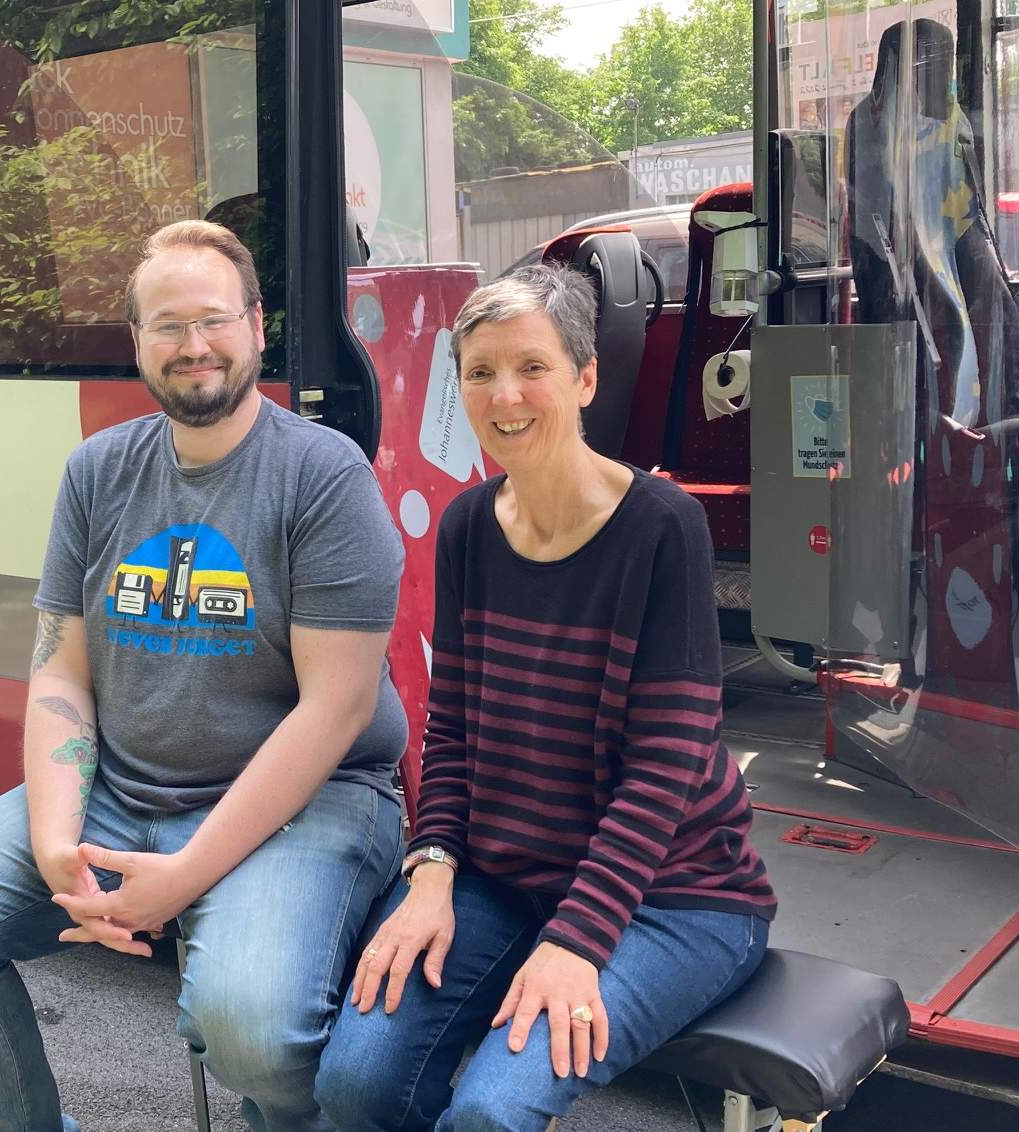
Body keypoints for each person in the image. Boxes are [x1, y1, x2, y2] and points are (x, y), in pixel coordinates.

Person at [0, 219, 408, 1132]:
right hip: (126, 789)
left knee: (252, 1035)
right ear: (136, 341)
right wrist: (53, 842)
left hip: (310, 801)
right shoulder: (97, 471)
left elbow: (336, 708)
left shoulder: (323, 474)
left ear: (256, 325)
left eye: (212, 320)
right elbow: (59, 675)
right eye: (166, 325)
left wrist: (185, 873)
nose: (192, 346)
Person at [314, 262, 777, 1132]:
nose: (505, 395)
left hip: (674, 896)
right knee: (355, 1085)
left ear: (586, 377)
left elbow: (665, 765)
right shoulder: (465, 527)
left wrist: (574, 939)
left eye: (532, 366)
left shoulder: (661, 525)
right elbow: (448, 729)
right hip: (505, 875)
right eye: (479, 372)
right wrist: (434, 865)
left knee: (489, 1114)